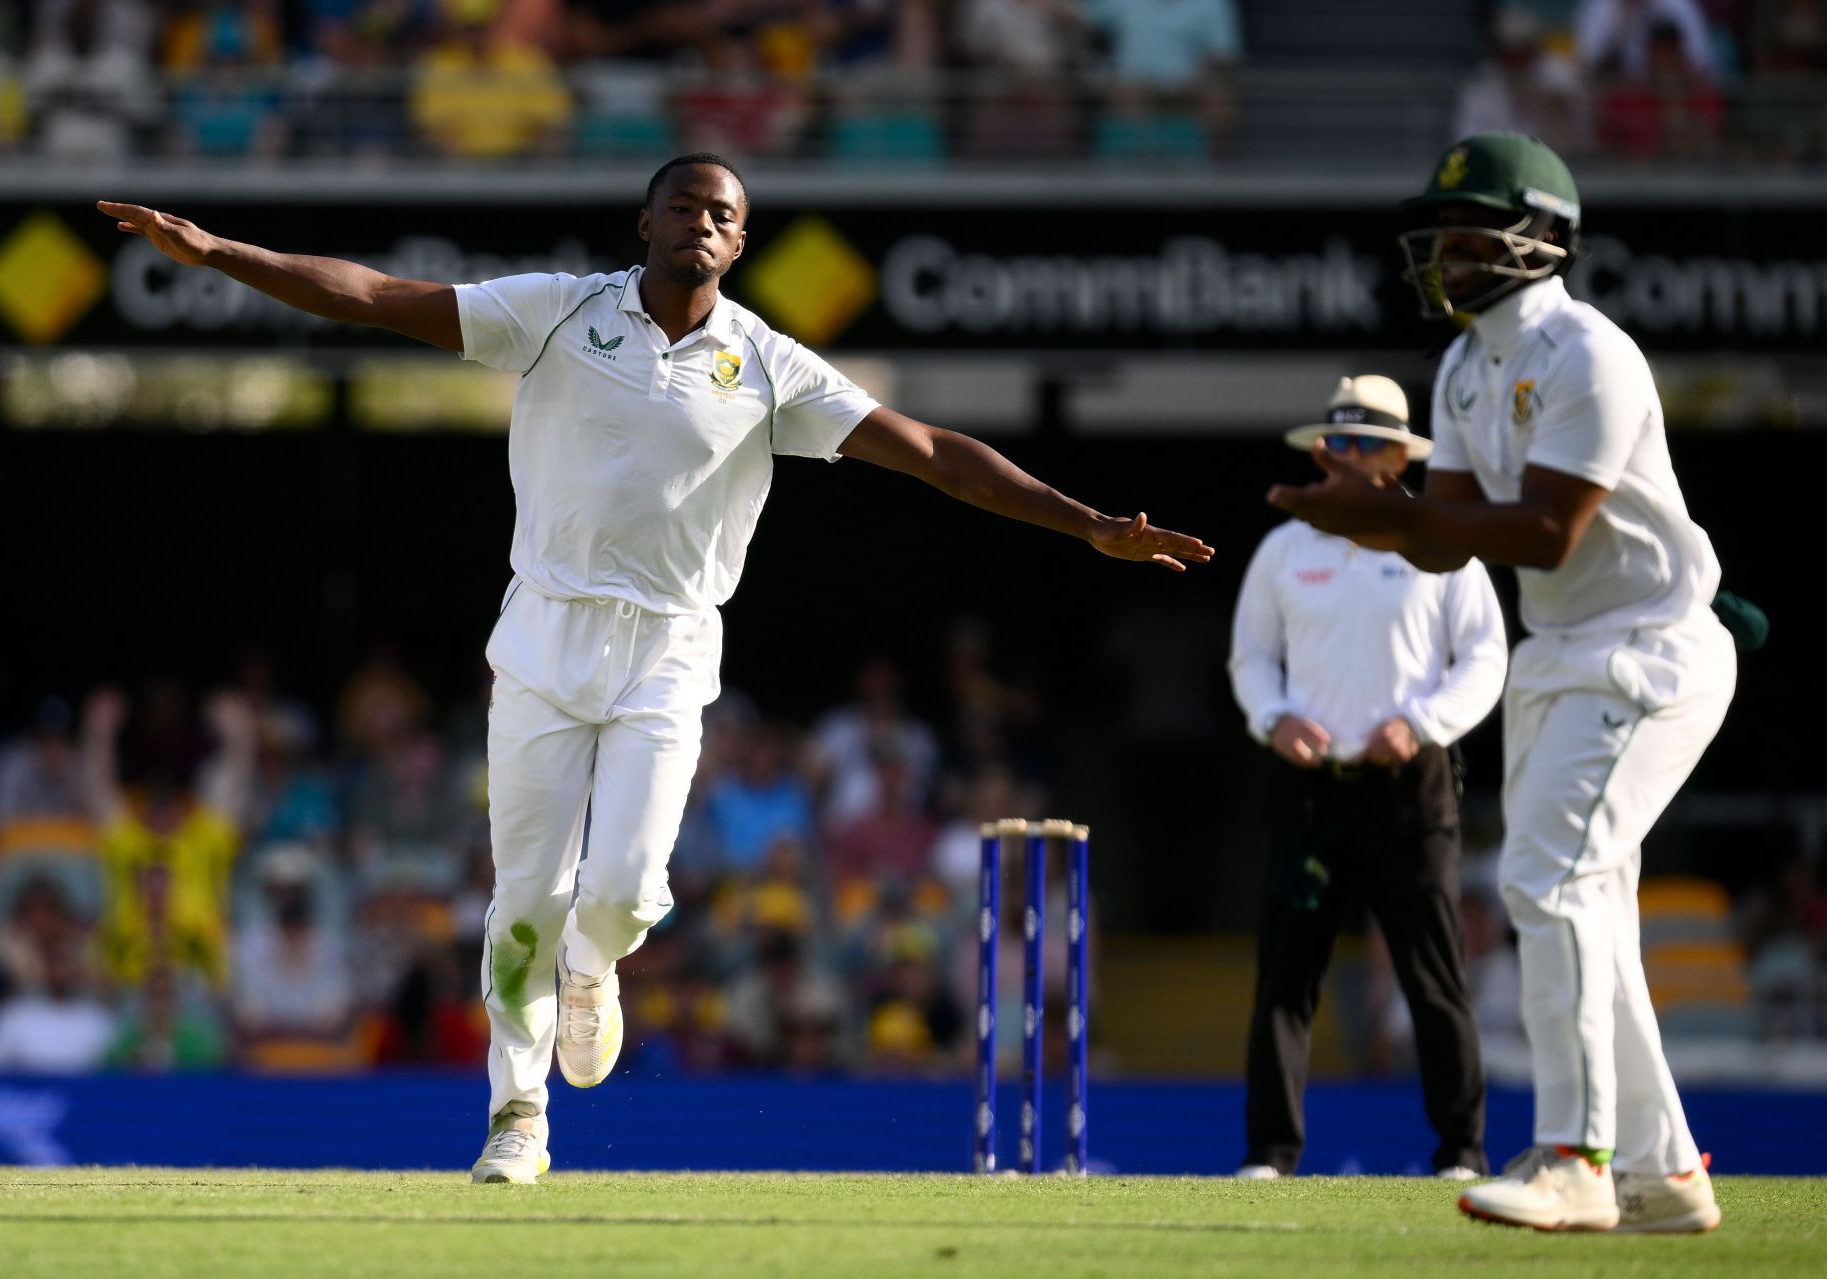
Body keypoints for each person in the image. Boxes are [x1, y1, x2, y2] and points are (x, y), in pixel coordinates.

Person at [96, 153, 1213, 1184]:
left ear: (739, 245)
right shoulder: (558, 311)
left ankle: (597, 966)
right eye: (684, 205)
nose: (702, 224)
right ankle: (517, 1118)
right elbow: (378, 296)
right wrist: (218, 254)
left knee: (624, 891)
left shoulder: (768, 365)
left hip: (672, 650)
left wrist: (1087, 524)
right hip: (542, 639)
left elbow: (929, 454)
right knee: (523, 895)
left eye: (723, 215)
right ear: (647, 220)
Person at [1268, 131, 1749, 1233]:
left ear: (1542, 239)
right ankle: (1666, 1173)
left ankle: (1577, 1156)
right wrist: (1375, 513)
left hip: (1646, 645)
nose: (1448, 253)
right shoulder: (1467, 364)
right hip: (1566, 652)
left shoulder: (1587, 353)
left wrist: (1383, 516)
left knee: (1547, 879)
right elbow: (1446, 540)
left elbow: (1541, 528)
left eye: (1471, 233)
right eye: (1439, 236)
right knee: (1586, 901)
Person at [1230, 375, 1508, 1182]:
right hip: (1312, 785)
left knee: (1433, 977)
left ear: (1397, 456)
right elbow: (1251, 655)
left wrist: (1419, 725)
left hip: (1409, 784)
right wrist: (1273, 717)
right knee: (1287, 976)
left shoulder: (1438, 539)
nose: (1350, 457)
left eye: (1366, 444)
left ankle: (1461, 1150)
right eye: (1338, 442)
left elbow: (1485, 657)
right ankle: (1270, 1154)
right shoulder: (1286, 547)